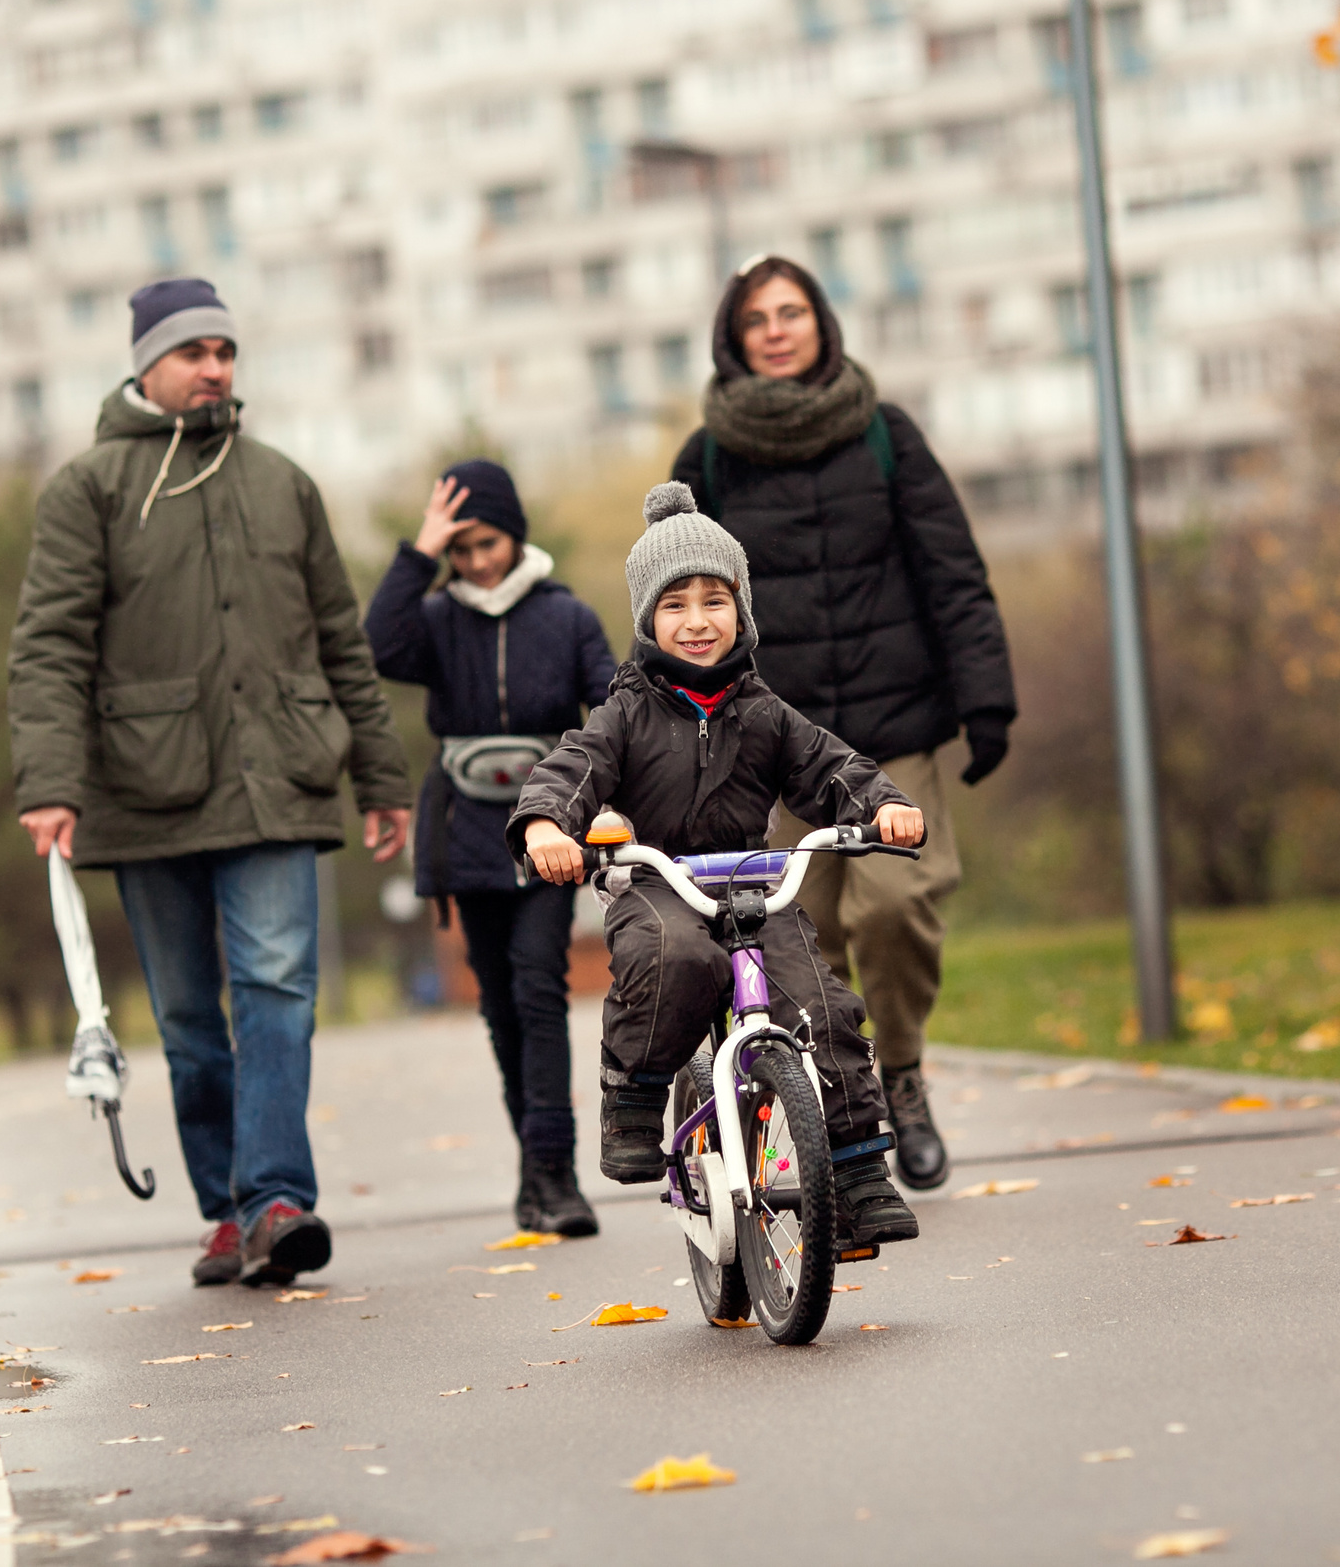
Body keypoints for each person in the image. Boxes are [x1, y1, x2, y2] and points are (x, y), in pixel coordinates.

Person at [8, 277, 412, 1290]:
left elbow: (339, 643)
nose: (215, 368)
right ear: (146, 364)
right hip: (145, 790)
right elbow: (49, 647)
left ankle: (276, 1199)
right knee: (190, 1019)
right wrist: (50, 782)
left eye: (225, 352)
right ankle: (228, 1210)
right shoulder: (88, 489)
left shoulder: (281, 481)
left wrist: (382, 776)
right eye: (194, 352)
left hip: (281, 776)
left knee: (276, 987)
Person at [669, 256, 1015, 1192]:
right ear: (734, 339)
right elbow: (671, 608)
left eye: (793, 312)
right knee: (801, 933)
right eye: (758, 319)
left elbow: (954, 573)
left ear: (821, 323)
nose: (777, 329)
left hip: (894, 726)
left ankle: (901, 1077)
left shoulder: (884, 434)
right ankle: (834, 1114)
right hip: (769, 745)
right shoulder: (707, 459)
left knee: (899, 903)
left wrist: (986, 698)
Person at [510, 483, 923, 1254]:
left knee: (824, 1009)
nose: (697, 622)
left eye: (714, 600)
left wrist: (884, 806)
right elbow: (570, 768)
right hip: (658, 885)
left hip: (755, 887)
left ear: (742, 611)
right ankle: (633, 1094)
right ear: (646, 620)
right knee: (674, 956)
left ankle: (860, 1173)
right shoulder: (625, 712)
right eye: (674, 605)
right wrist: (545, 824)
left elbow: (834, 769)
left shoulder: (765, 711)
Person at [364, 459, 616, 1237]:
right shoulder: (436, 618)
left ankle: (559, 1174)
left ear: (515, 533)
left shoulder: (567, 616)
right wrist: (419, 551)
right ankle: (532, 1167)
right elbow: (377, 645)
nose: (476, 561)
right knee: (500, 1001)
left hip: (549, 822)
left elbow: (611, 705)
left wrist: (611, 802)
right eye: (462, 548)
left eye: (488, 543)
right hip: (463, 828)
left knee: (539, 983)